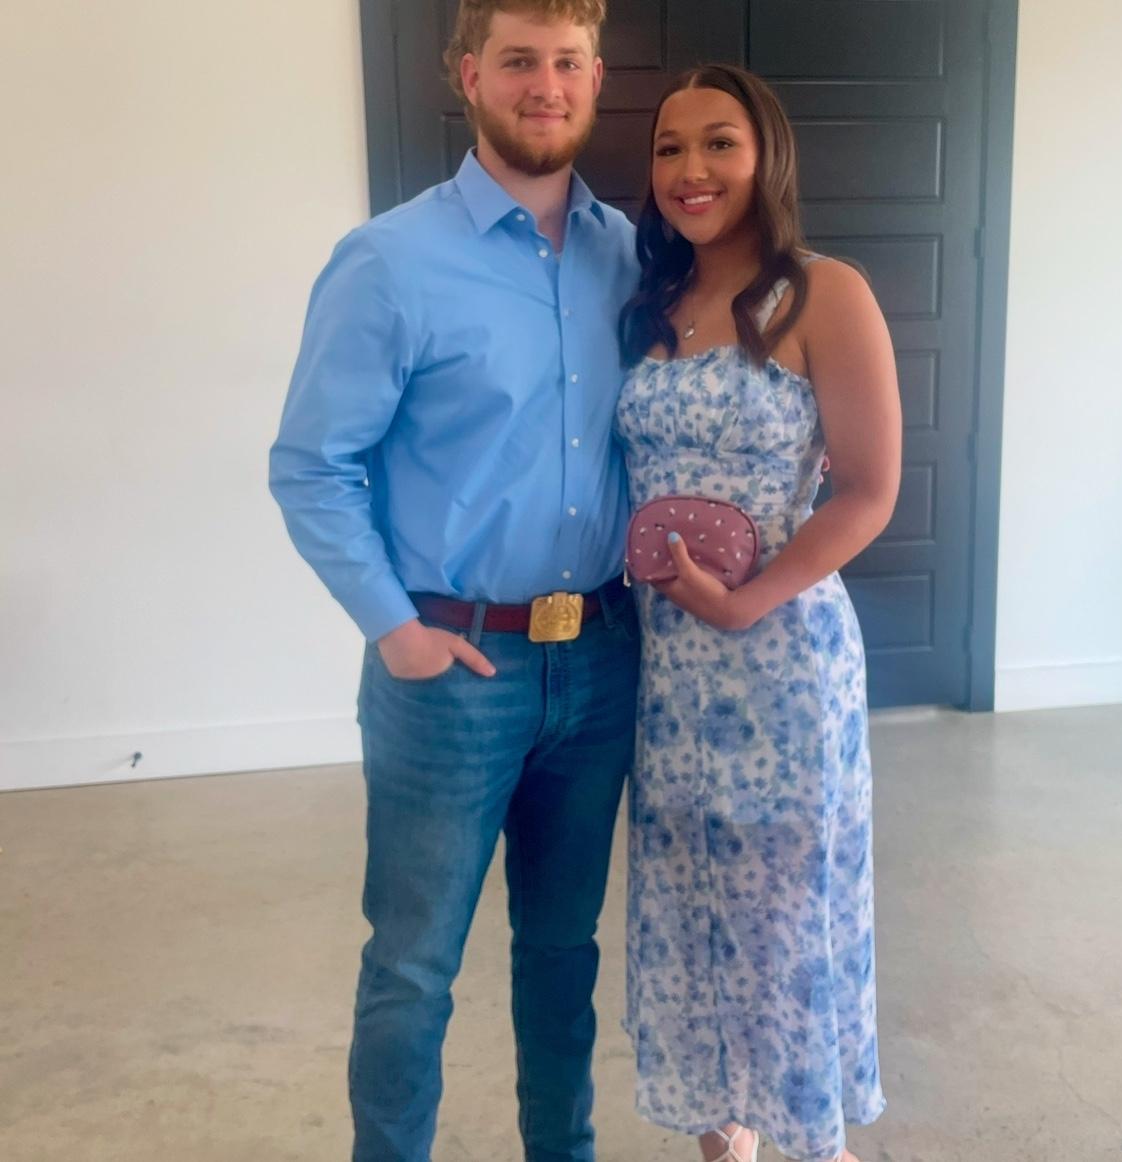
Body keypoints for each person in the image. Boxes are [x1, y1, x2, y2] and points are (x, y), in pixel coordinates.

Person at [268, 3, 639, 1159]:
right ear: (467, 75)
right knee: (412, 965)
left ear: (595, 77)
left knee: (563, 953)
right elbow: (311, 466)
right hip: (451, 673)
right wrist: (395, 630)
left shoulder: (630, 256)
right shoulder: (390, 261)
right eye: (519, 61)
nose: (545, 85)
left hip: (600, 662)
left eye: (567, 62)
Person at [616, 65, 902, 1162]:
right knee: (691, 915)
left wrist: (744, 605)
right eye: (670, 148)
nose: (691, 170)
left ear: (766, 153)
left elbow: (869, 491)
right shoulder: (651, 303)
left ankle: (814, 1145)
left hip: (780, 664)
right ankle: (724, 1144)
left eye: (719, 143)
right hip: (667, 673)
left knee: (782, 923)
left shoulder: (823, 293)